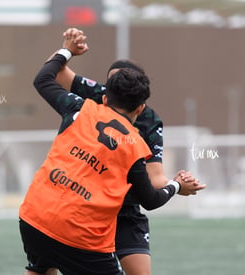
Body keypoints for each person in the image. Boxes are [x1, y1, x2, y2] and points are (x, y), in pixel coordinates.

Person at [19, 31, 205, 275]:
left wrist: (67, 49)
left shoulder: (82, 107)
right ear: (138, 106)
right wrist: (178, 187)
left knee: (43, 264)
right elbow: (150, 198)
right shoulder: (134, 145)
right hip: (81, 223)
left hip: (42, 213)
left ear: (106, 99)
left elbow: (45, 78)